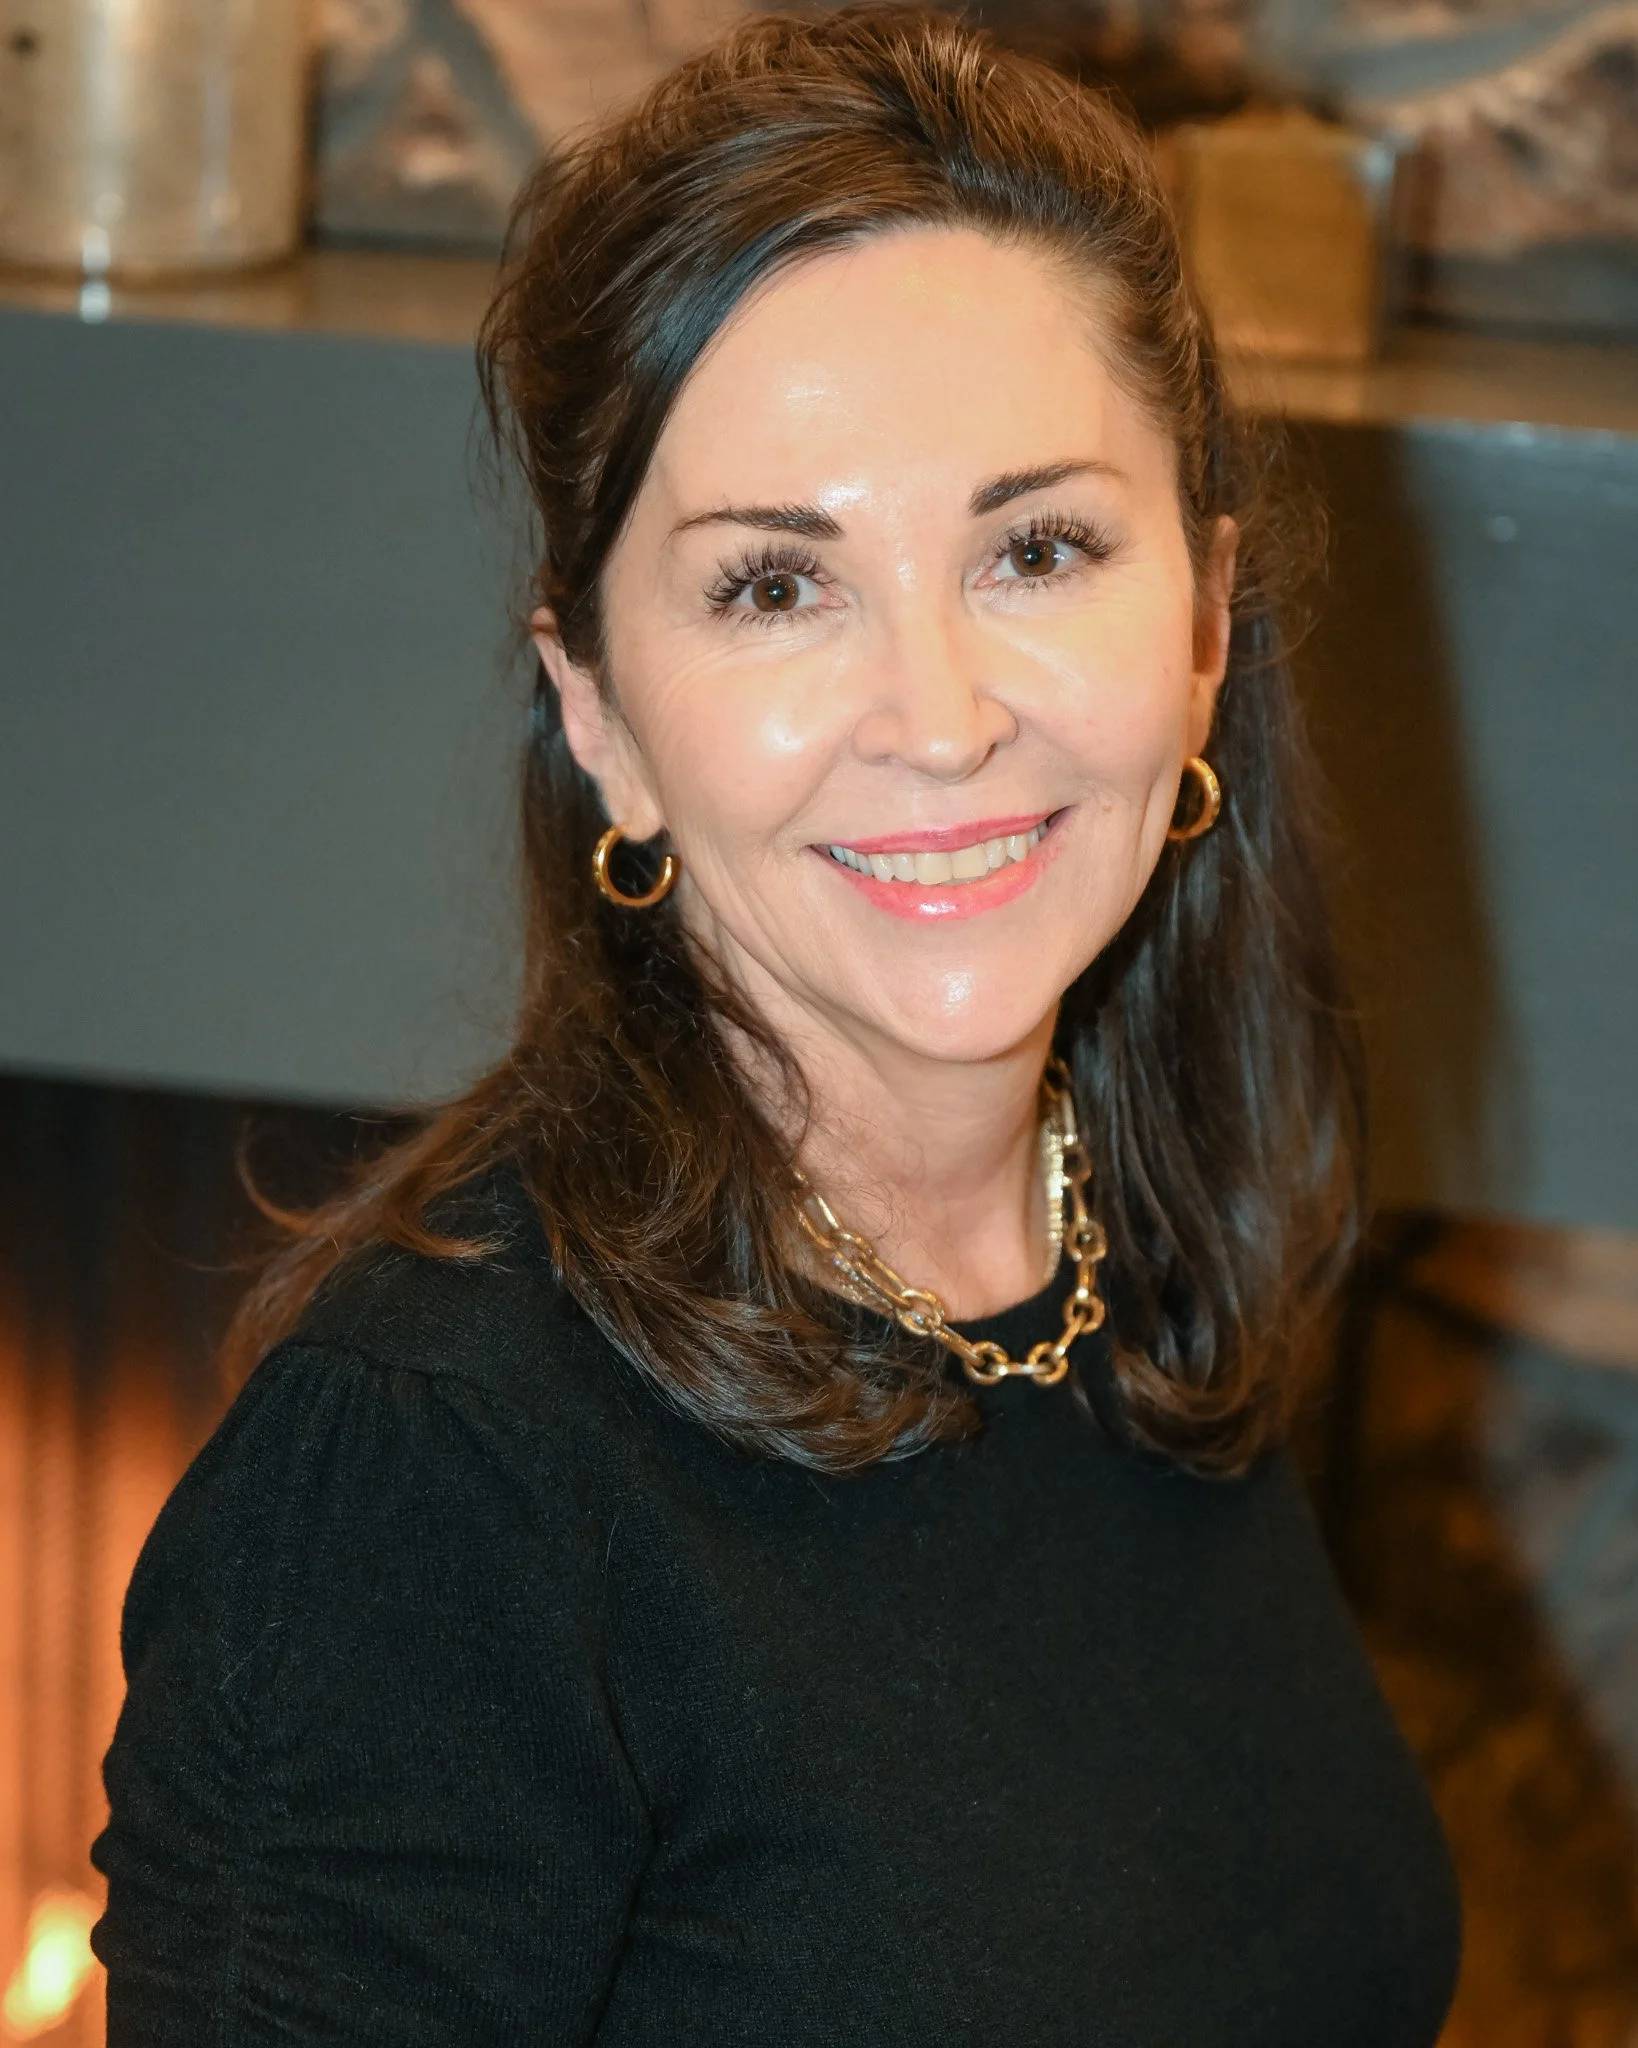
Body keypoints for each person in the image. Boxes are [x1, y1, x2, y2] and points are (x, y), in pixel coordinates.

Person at [91, 8, 1461, 2040]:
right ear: (601, 717)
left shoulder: (1141, 1254)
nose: (939, 717)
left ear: (1199, 628)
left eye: (1035, 549)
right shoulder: (431, 1484)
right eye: (771, 588)